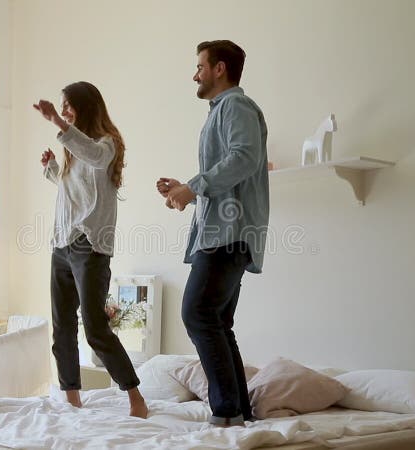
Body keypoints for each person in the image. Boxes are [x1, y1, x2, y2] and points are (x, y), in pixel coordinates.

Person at [156, 40, 269, 426]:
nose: (195, 74)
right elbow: (229, 167)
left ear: (219, 68)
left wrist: (194, 186)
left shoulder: (235, 106)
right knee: (217, 322)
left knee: (197, 313)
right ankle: (239, 412)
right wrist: (185, 189)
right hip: (223, 231)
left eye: (200, 66)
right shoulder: (222, 111)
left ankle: (226, 412)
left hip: (228, 234)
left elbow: (244, 157)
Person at [34, 81, 148, 419]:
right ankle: (72, 401)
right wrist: (53, 169)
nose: (65, 110)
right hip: (62, 244)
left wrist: (57, 121)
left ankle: (136, 398)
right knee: (62, 327)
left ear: (86, 106)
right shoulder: (74, 149)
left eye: (69, 105)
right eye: (62, 106)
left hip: (90, 246)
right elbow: (75, 188)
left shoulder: (106, 144)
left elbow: (96, 160)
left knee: (96, 328)